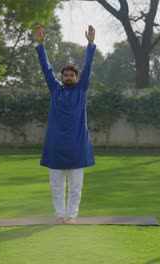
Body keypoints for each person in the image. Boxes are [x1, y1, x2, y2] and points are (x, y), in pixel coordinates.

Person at [34, 24, 97, 224]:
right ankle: (60, 216)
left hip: (78, 146)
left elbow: (88, 68)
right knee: (57, 186)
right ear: (62, 77)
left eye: (72, 75)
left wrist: (90, 45)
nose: (68, 77)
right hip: (55, 145)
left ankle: (72, 216)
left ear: (77, 78)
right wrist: (41, 45)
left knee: (76, 187)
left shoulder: (81, 90)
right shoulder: (55, 89)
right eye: (66, 75)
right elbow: (46, 68)